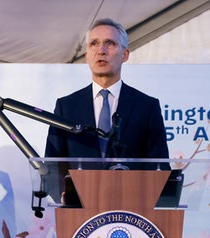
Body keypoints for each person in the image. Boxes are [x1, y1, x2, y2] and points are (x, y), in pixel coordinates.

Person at [44, 17, 169, 159]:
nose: (101, 51)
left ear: (125, 55)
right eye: (94, 44)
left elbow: (160, 167)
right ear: (87, 56)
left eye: (109, 43)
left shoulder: (147, 106)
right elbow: (52, 167)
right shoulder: (66, 107)